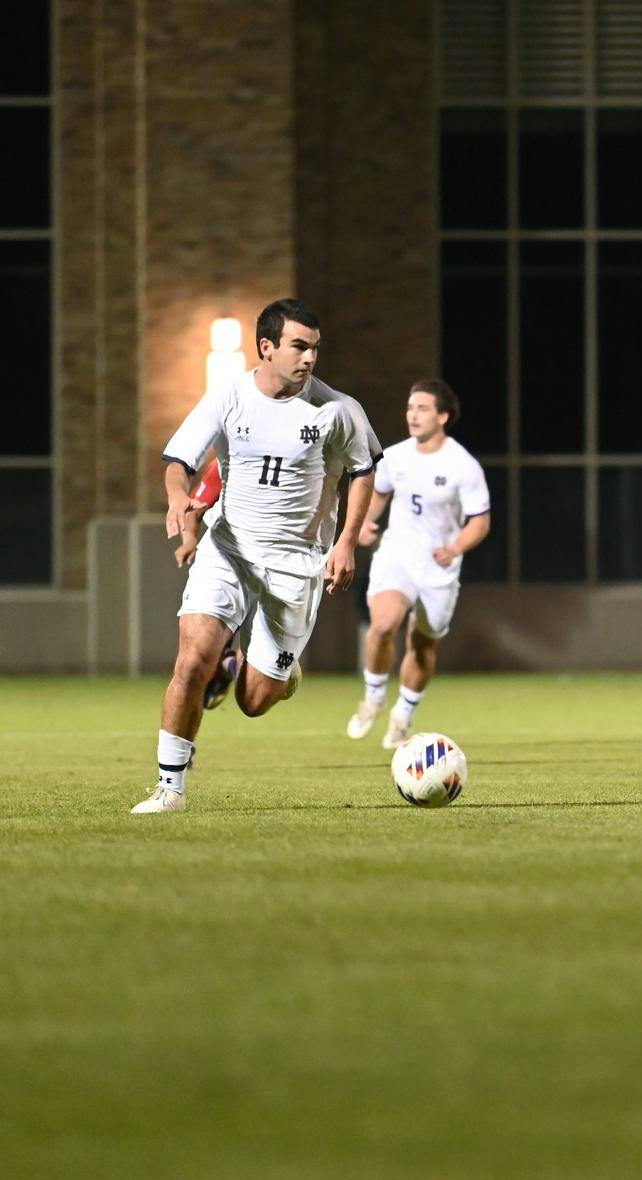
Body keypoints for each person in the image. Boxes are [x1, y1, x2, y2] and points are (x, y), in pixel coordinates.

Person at [131, 299, 375, 814]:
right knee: (193, 658)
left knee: (254, 701)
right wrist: (180, 500)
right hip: (229, 550)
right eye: (299, 346)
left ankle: (274, 674)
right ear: (266, 348)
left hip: (295, 563)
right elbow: (178, 460)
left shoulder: (338, 410)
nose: (310, 357)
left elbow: (363, 471)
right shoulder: (229, 398)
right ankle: (169, 787)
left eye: (315, 348)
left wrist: (346, 543)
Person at [344, 378, 490, 749]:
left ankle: (403, 716)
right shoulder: (395, 456)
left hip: (438, 567)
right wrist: (362, 525)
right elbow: (377, 494)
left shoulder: (462, 465)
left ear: (443, 416)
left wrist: (455, 547)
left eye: (422, 408)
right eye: (410, 408)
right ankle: (374, 697)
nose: (413, 414)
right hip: (398, 554)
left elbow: (480, 521)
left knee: (422, 643)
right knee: (382, 625)